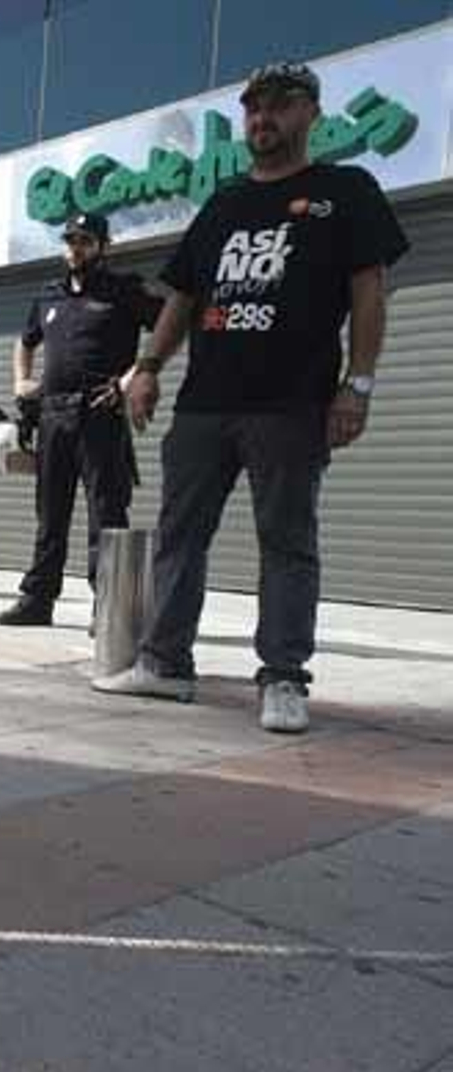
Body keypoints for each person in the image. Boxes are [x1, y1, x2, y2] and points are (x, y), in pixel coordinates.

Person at [93, 61, 409, 734]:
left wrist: (360, 383)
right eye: (254, 108)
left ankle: (285, 677)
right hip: (205, 402)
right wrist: (146, 366)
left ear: (311, 114)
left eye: (280, 105)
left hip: (291, 402)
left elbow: (369, 291)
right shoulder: (225, 202)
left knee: (287, 541)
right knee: (180, 535)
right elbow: (183, 296)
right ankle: (165, 662)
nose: (263, 118)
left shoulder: (345, 189)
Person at [0, 212, 161, 627]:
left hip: (100, 414)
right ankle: (37, 600)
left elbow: (165, 330)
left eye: (85, 240)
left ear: (103, 245)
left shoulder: (124, 289)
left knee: (106, 512)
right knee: (50, 512)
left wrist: (129, 381)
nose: (75, 248)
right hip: (53, 415)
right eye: (70, 240)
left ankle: (107, 606)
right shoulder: (48, 295)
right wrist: (21, 379)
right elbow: (25, 340)